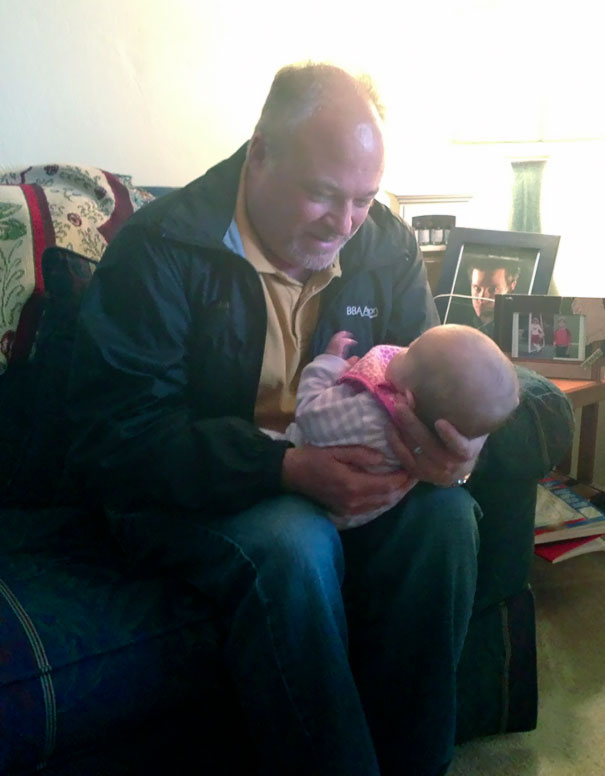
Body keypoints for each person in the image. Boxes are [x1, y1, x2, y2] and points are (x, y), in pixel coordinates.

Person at [65, 63, 489, 776]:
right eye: (324, 195)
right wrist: (281, 467)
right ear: (260, 152)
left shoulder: (382, 244)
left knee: (445, 522)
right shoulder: (159, 249)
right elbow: (116, 439)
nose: (345, 224)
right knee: (293, 543)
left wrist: (454, 450)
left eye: (363, 198)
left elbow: (430, 376)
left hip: (335, 472)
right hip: (190, 492)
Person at [283, 323, 519, 529]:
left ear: (407, 397)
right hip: (365, 512)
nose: (401, 348)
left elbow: (309, 413)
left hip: (319, 498)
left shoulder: (369, 414)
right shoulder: (432, 413)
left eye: (410, 351)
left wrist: (328, 363)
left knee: (451, 513)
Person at [467, 257, 520, 334]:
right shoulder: (456, 324)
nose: (481, 298)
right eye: (477, 288)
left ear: (511, 286)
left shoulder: (516, 330)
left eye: (493, 290)